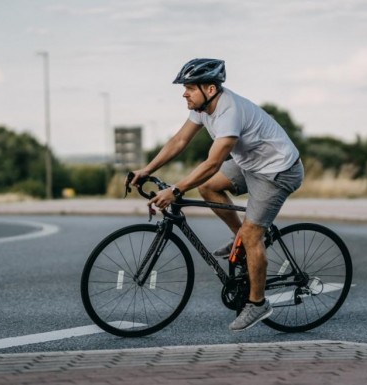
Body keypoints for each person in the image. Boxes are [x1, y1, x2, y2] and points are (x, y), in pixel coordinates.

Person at [129, 58, 304, 331]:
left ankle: (258, 304)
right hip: (250, 163)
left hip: (278, 170)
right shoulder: (202, 107)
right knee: (208, 187)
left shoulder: (228, 112)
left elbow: (212, 164)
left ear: (210, 89)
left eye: (189, 88)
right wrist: (147, 169)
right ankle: (241, 240)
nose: (184, 93)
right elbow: (179, 141)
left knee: (252, 234)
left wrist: (175, 190)